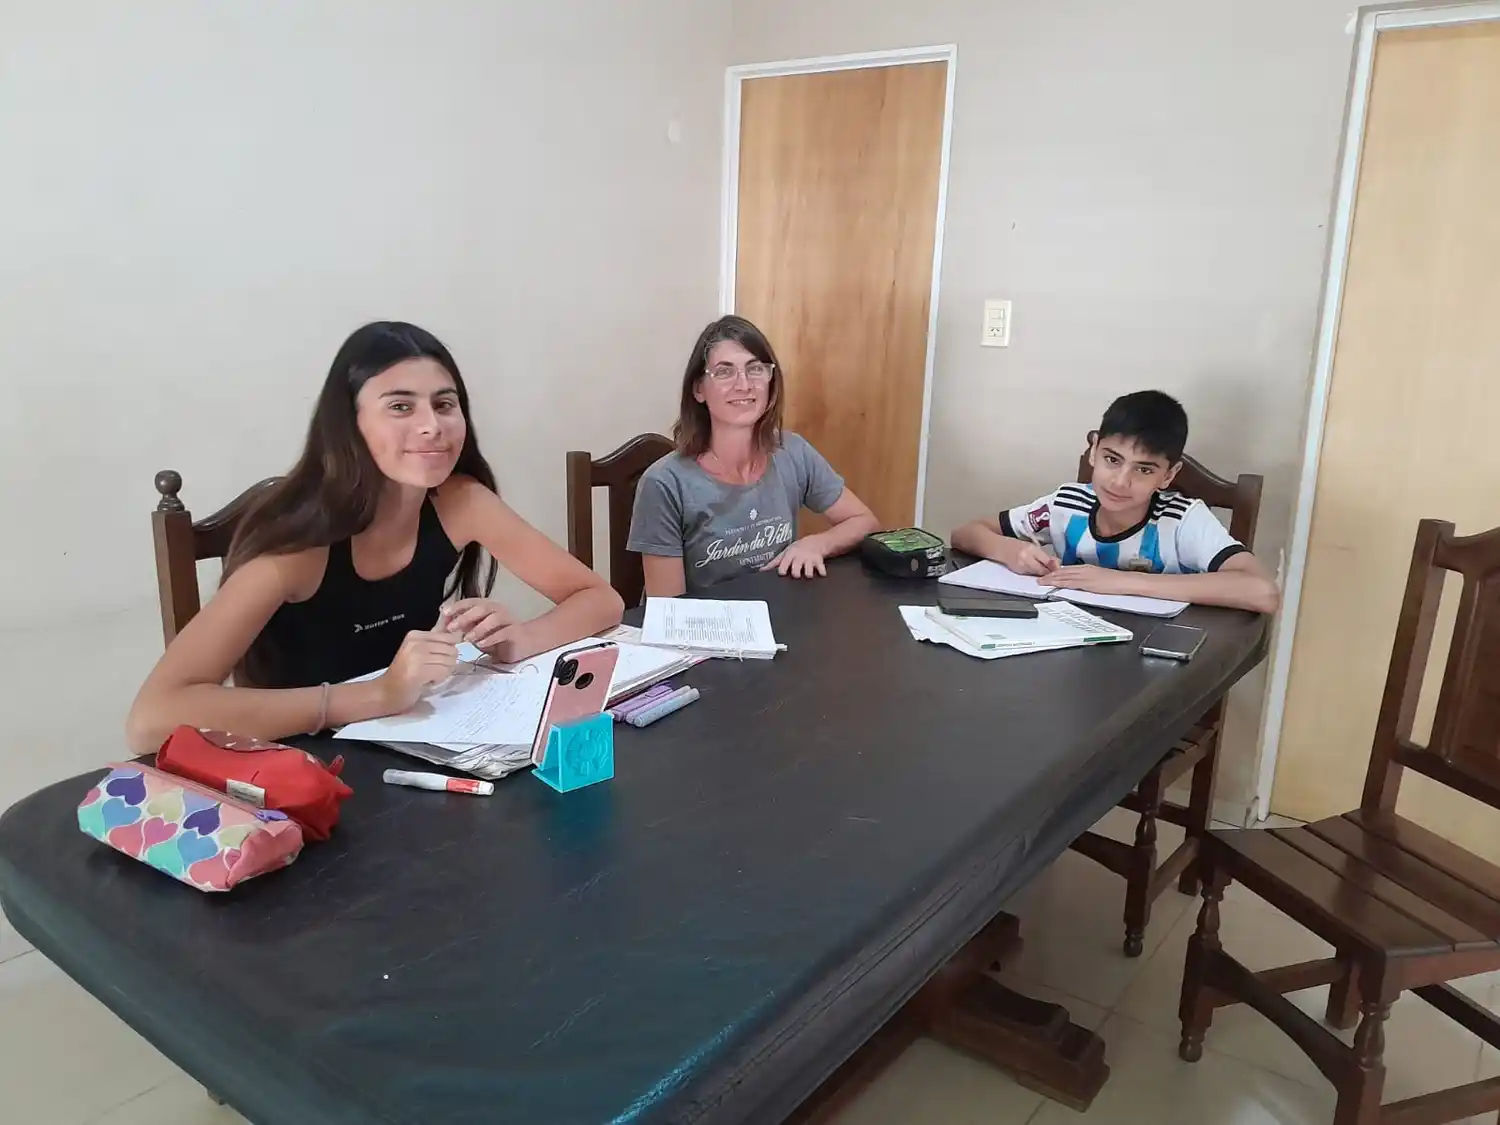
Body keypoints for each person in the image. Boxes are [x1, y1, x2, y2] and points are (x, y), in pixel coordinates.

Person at [126, 321, 624, 754]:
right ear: (351, 424)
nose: (432, 426)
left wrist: (523, 639)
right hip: (298, 768)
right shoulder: (297, 548)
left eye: (444, 404)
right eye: (401, 406)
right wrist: (379, 696)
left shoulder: (459, 502)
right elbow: (151, 719)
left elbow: (599, 599)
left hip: (411, 744)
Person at [951, 391, 1280, 614]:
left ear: (1168, 475)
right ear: (1094, 449)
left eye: (1144, 469)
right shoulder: (1067, 504)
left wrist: (1121, 582)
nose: (1121, 481)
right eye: (1112, 459)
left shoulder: (1183, 521)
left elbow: (1262, 591)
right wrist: (1011, 551)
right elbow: (966, 533)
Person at [628, 315, 879, 598]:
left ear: (771, 380)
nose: (744, 384)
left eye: (755, 369)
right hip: (702, 633)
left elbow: (863, 521)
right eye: (724, 372)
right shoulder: (663, 483)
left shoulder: (793, 451)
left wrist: (816, 544)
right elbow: (669, 613)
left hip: (780, 621)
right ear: (698, 389)